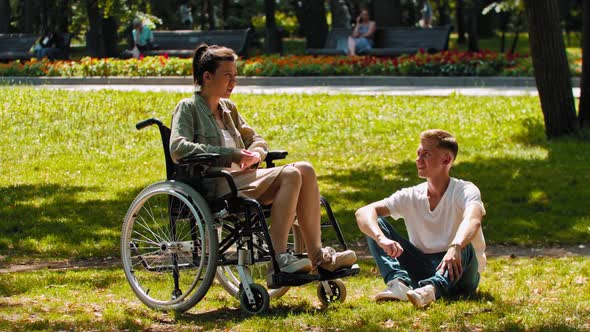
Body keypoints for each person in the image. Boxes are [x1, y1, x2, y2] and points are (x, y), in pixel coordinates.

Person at [169, 44, 357, 287]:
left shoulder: (229, 109)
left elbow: (256, 139)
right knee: (290, 173)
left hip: (246, 180)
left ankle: (319, 257)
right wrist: (231, 154)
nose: (233, 82)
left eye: (235, 76)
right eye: (228, 76)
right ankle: (279, 259)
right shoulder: (188, 108)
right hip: (215, 185)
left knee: (306, 169)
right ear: (207, 76)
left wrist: (256, 153)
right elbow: (178, 148)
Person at [355, 129, 486, 308]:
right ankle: (399, 284)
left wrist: (455, 247)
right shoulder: (411, 195)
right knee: (374, 223)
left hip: (462, 271)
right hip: (423, 266)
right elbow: (363, 212)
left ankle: (431, 289)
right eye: (418, 153)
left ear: (446, 160)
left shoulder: (465, 190)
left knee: (465, 246)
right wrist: (381, 239)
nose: (418, 159)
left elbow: (473, 220)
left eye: (426, 154)